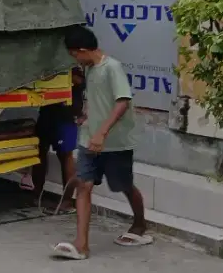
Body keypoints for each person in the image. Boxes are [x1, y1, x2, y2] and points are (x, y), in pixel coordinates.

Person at [53, 25, 149, 261]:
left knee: (124, 186)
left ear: (84, 50)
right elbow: (96, 98)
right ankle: (81, 245)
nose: (75, 59)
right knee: (84, 186)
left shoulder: (111, 67)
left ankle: (140, 225)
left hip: (115, 143)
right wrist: (87, 116)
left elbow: (122, 102)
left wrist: (102, 133)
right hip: (88, 140)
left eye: (75, 54)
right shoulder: (89, 69)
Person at [32, 66, 85, 213]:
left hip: (66, 113)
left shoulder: (75, 60)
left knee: (65, 155)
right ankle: (37, 194)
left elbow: (79, 81)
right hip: (47, 109)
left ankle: (67, 202)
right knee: (39, 152)